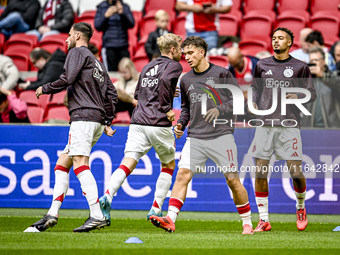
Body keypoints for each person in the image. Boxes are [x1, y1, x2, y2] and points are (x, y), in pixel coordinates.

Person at [150, 36, 254, 235]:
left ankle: (247, 223)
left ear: (202, 52)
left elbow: (238, 102)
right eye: (184, 53)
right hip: (195, 137)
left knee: (232, 180)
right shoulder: (186, 79)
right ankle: (170, 219)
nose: (186, 57)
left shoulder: (222, 74)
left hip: (221, 136)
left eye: (190, 53)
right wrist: (181, 124)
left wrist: (220, 109)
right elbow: (187, 109)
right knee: (182, 175)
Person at [25, 22, 118, 233]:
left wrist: (44, 88)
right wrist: (107, 121)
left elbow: (68, 78)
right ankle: (52, 213)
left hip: (83, 117)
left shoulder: (77, 53)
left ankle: (96, 214)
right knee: (62, 165)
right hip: (94, 120)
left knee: (80, 163)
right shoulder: (98, 63)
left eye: (68, 35)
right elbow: (112, 94)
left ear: (77, 35)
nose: (66, 40)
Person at [99, 33, 183, 225]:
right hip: (158, 121)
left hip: (138, 121)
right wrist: (167, 108)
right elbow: (162, 85)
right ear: (172, 50)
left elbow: (138, 93)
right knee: (168, 165)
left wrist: (169, 92)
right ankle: (155, 207)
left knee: (127, 162)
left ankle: (107, 196)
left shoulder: (147, 66)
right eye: (179, 48)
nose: (182, 52)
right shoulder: (174, 66)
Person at [247, 27, 316, 232]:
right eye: (274, 38)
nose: (276, 41)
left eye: (281, 38)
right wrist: (255, 106)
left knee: (295, 172)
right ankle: (264, 219)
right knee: (260, 173)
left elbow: (312, 94)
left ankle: (301, 206)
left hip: (289, 125)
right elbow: (255, 90)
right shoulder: (261, 64)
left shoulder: (300, 67)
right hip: (265, 125)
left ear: (289, 43)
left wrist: (299, 96)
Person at [300, 47, 340, 128]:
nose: (313, 63)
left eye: (316, 60)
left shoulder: (333, 76)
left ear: (323, 61)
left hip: (332, 128)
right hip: (309, 128)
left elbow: (337, 83)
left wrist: (323, 75)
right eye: (311, 61)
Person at [95, 0, 134, 71]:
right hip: (109, 46)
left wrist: (123, 13)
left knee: (127, 71)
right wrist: (105, 16)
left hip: (123, 45)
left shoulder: (124, 7)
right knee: (111, 73)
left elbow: (131, 24)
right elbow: (97, 26)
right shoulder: (102, 7)